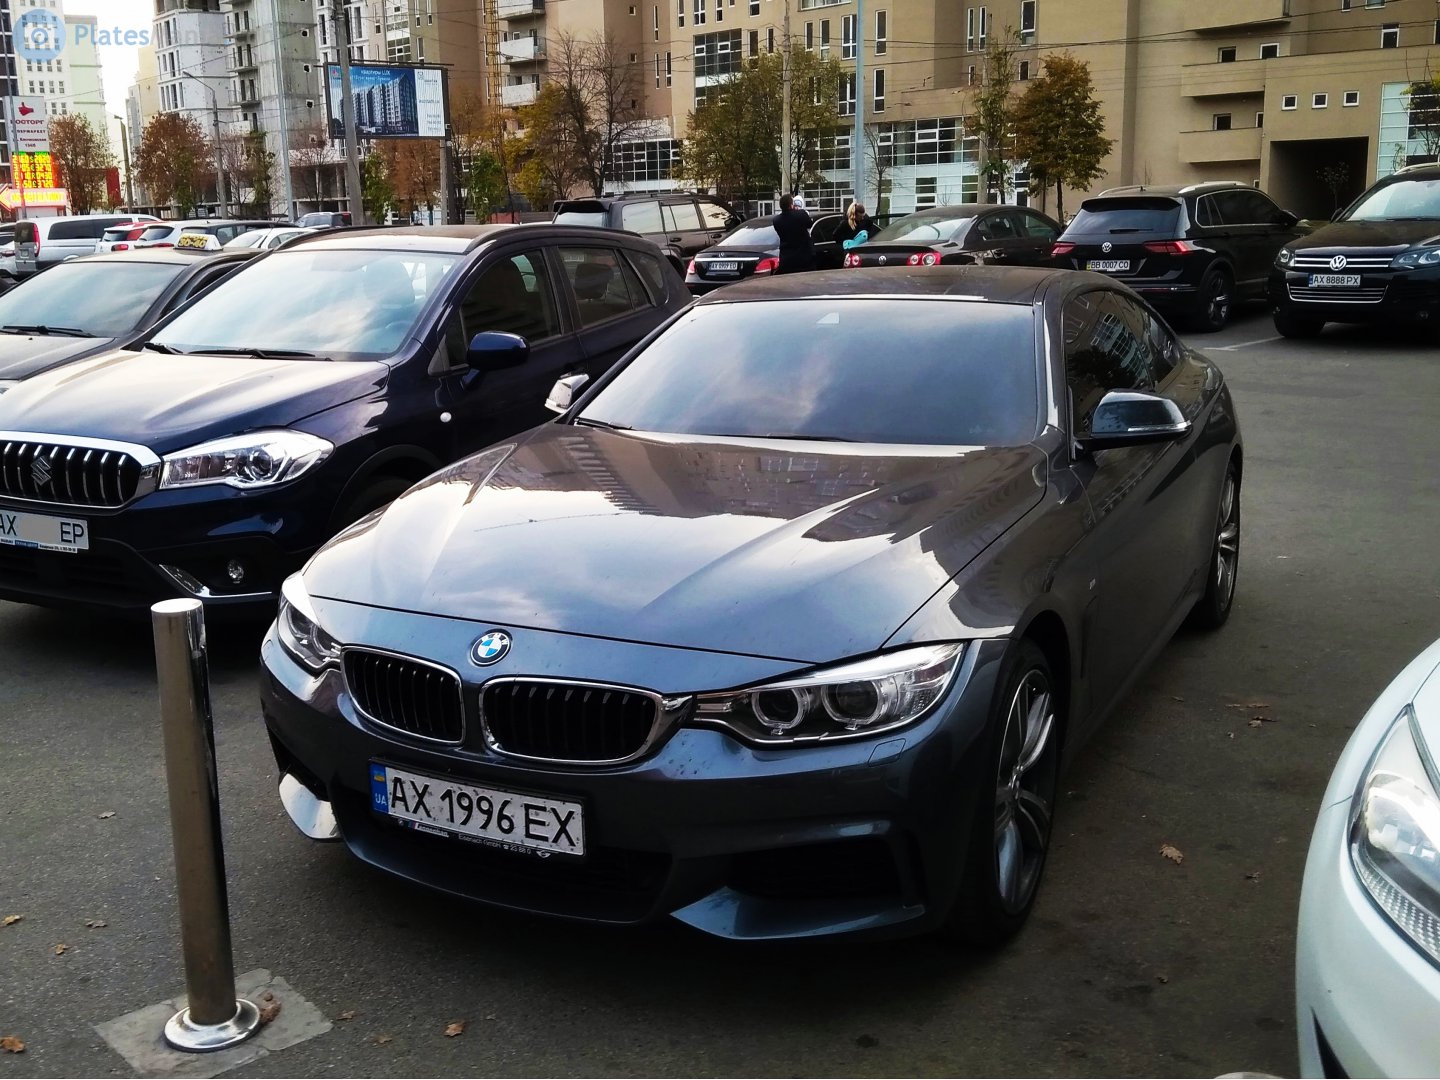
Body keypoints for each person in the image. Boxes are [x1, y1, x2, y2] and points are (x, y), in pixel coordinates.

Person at [772, 193, 815, 274]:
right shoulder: (801, 214)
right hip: (803, 258)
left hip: (786, 259)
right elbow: (810, 224)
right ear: (791, 205)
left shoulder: (776, 220)